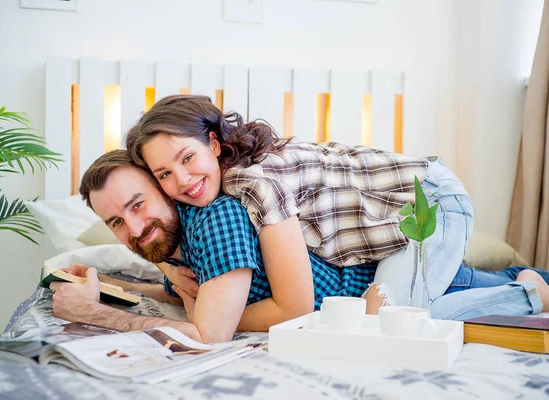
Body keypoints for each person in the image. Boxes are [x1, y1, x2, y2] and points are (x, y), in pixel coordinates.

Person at [50, 151, 549, 344]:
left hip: (390, 267)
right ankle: (529, 284)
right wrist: (120, 284)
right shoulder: (176, 244)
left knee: (407, 322)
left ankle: (527, 292)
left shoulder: (214, 216)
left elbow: (207, 332)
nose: (134, 229)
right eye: (116, 221)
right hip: (387, 267)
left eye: (139, 204)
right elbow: (185, 292)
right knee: (529, 281)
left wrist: (95, 313)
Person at [124, 94, 472, 311]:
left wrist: (218, 314)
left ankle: (526, 293)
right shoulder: (204, 190)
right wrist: (167, 268)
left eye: (187, 157)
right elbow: (163, 241)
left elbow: (296, 307)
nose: (182, 180)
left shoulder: (253, 183)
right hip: (391, 224)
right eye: (164, 174)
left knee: (383, 323)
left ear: (214, 144)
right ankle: (506, 280)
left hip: (428, 198)